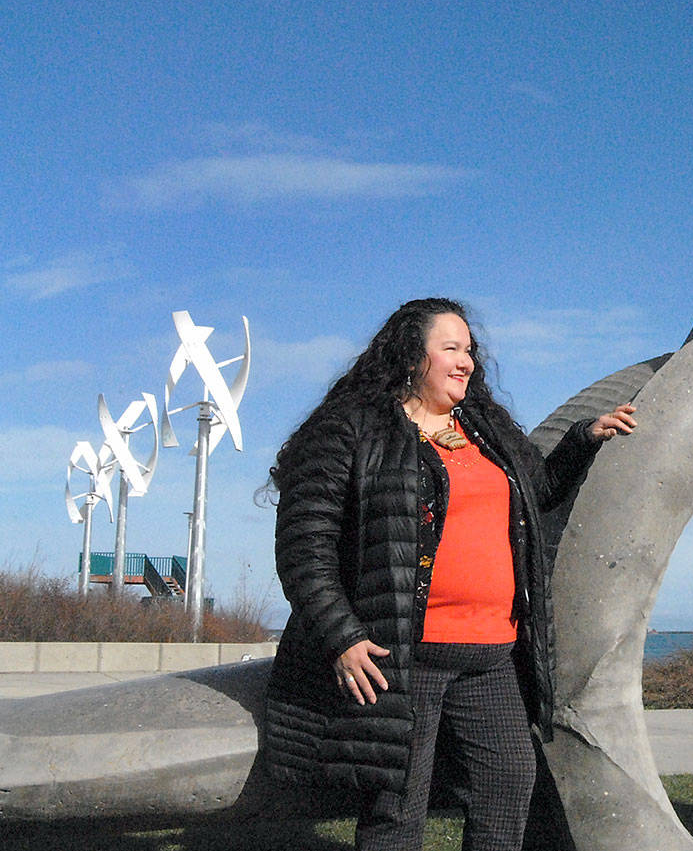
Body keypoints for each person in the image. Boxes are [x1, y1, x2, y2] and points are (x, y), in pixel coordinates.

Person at [260, 298, 636, 851]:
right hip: (403, 659)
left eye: (470, 351)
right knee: (397, 811)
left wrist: (583, 439)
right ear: (412, 355)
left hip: (492, 654)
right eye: (452, 348)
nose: (466, 362)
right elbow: (304, 547)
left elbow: (538, 495)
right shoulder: (350, 429)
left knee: (508, 784)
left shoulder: (485, 431)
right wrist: (343, 637)